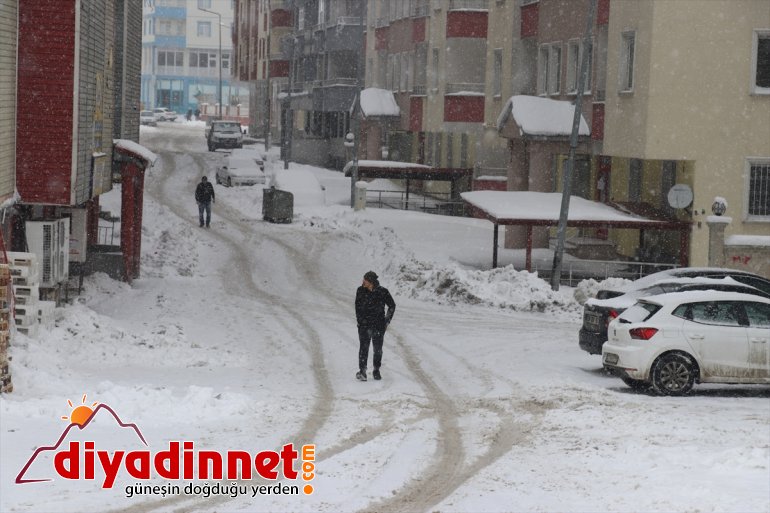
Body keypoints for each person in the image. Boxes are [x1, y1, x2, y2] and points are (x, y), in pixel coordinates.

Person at [355, 271, 396, 381]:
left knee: (378, 349)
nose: (363, 281)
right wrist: (360, 321)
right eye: (363, 279)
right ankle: (362, 371)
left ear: (371, 281)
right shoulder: (360, 291)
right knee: (363, 348)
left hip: (378, 326)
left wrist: (386, 321)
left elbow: (392, 306)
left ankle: (376, 370)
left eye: (365, 280)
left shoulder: (382, 292)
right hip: (364, 326)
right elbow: (357, 308)